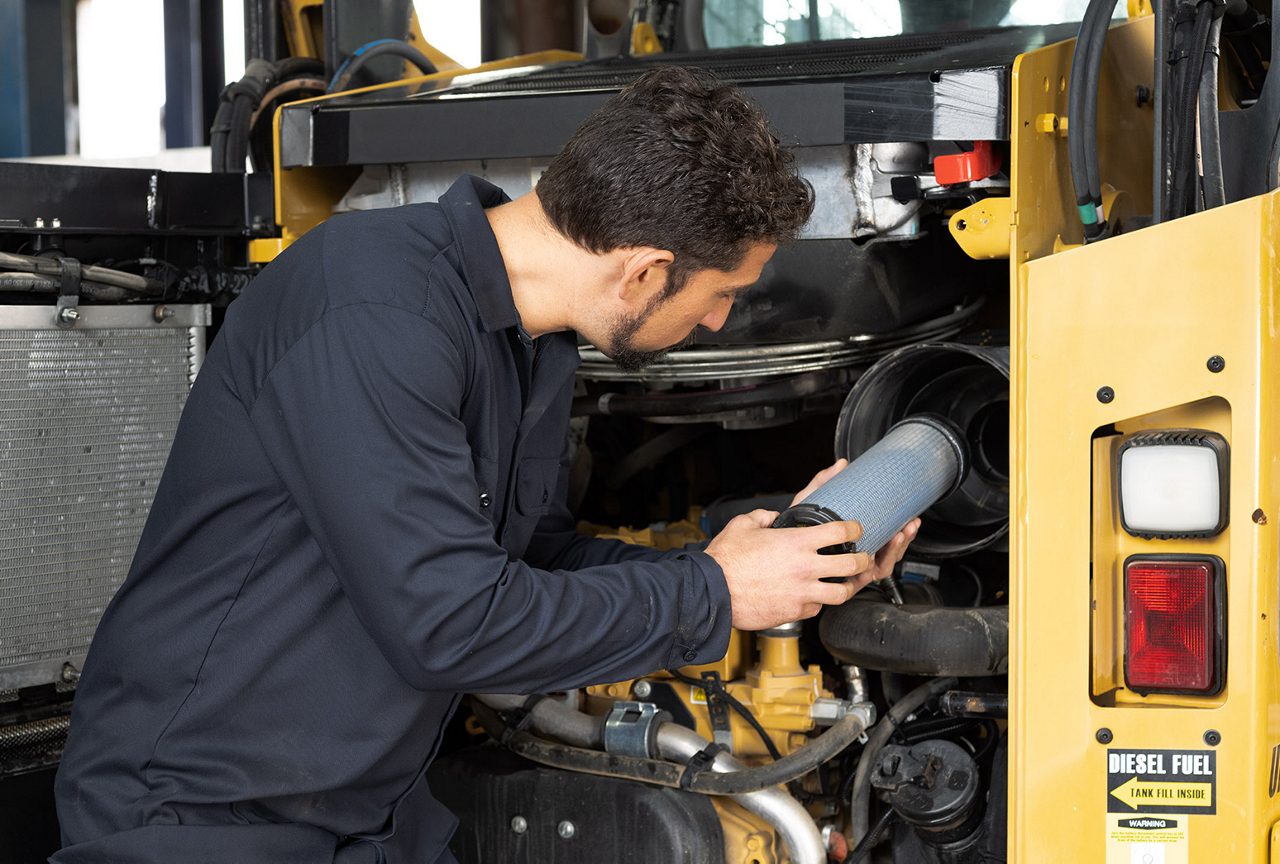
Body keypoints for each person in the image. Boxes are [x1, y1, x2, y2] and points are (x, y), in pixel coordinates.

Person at [52, 66, 919, 864]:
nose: (722, 325)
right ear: (646, 272)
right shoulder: (373, 310)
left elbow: (522, 566)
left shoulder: (527, 343)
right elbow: (454, 623)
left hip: (363, 816)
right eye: (722, 294)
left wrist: (763, 566)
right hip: (199, 821)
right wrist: (717, 594)